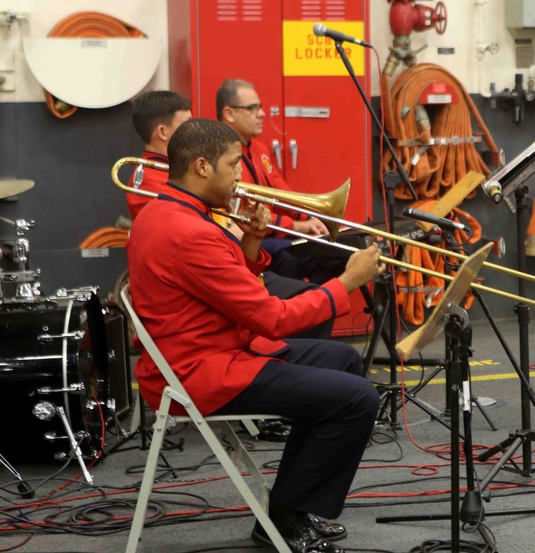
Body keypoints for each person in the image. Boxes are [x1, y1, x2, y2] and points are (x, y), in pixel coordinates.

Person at [127, 119, 383, 552]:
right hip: (199, 370)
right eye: (233, 165)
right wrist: (347, 283)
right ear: (203, 167)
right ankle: (284, 518)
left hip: (213, 348)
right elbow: (273, 317)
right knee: (357, 399)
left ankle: (287, 509)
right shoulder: (188, 231)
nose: (240, 176)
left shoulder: (174, 213)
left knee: (343, 362)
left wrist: (251, 240)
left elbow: (221, 289)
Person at [216, 78, 346, 285]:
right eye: (252, 108)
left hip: (274, 232)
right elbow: (244, 213)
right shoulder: (220, 155)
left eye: (260, 107)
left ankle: (318, 306)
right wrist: (297, 226)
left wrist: (310, 217)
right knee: (289, 256)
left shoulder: (259, 149)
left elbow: (281, 190)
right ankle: (298, 306)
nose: (262, 114)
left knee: (337, 251)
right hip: (249, 236)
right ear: (229, 113)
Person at [126, 90, 193, 221]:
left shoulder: (175, 168)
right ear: (162, 132)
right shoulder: (147, 180)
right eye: (187, 125)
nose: (195, 131)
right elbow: (182, 227)